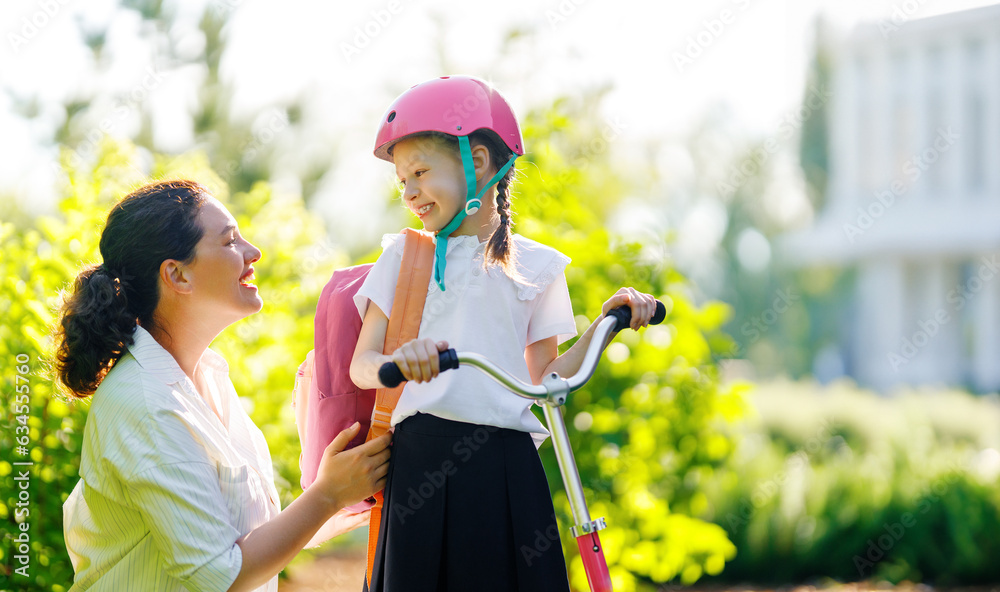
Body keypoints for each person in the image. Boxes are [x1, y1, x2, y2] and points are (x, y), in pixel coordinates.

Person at [350, 76, 658, 592]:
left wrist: (609, 321)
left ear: (479, 163)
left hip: (506, 466)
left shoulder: (536, 267)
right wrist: (399, 361)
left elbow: (549, 378)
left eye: (420, 173)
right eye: (402, 181)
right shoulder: (404, 257)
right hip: (421, 462)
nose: (409, 193)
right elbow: (364, 364)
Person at [57, 179, 391, 592]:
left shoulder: (206, 376)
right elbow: (220, 574)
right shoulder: (145, 402)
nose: (254, 253)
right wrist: (326, 495)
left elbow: (244, 536)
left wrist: (339, 496)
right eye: (230, 241)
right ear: (177, 274)